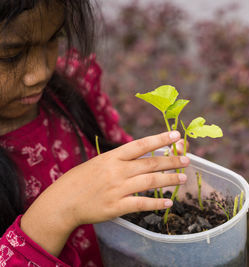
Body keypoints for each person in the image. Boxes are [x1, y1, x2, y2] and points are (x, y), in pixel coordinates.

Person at [0, 0, 189, 266]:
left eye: (53, 38)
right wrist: (56, 212)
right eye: (10, 55)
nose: (40, 72)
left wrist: (156, 170)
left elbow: (117, 163)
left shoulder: (72, 94)